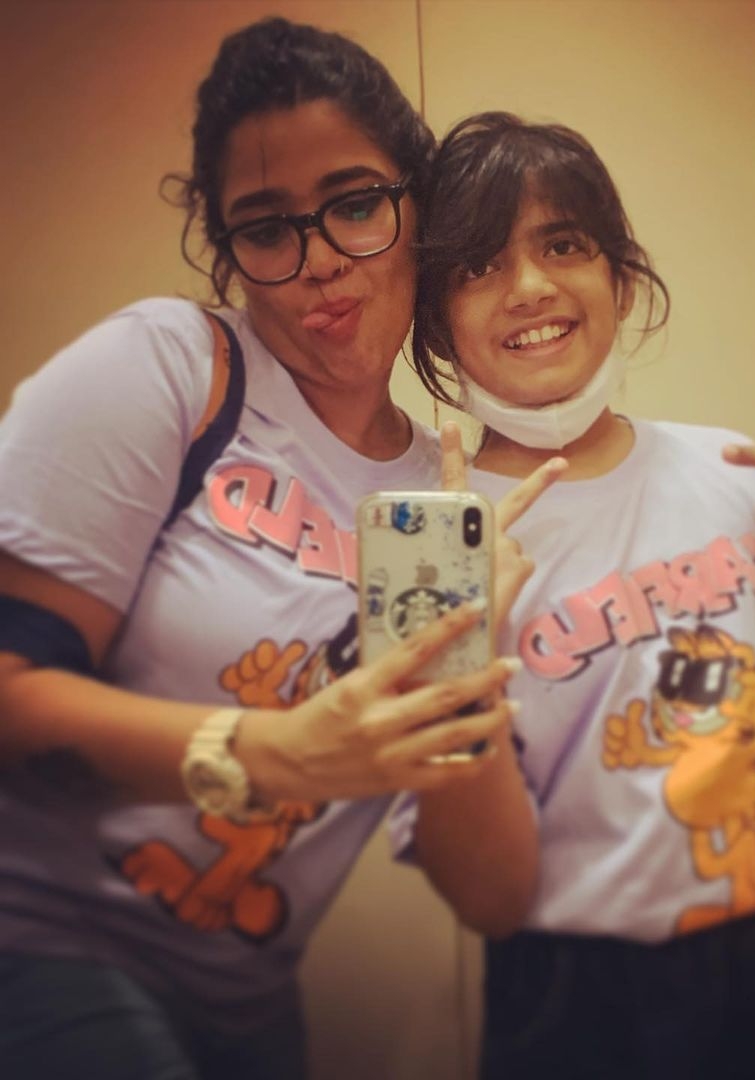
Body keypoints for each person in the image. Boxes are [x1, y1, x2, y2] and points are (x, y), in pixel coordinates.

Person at [0, 21, 562, 1080]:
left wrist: (466, 663)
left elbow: (490, 896)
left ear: (416, 209)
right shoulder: (174, 368)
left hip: (247, 1004)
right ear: (228, 249)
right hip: (41, 947)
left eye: (355, 204)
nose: (321, 262)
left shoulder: (441, 498)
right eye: (267, 228)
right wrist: (272, 752)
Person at [402, 112, 755, 1079]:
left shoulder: (737, 471)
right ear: (435, 319)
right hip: (578, 997)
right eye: (478, 264)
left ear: (620, 276)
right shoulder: (434, 544)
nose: (530, 286)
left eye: (564, 244)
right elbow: (489, 899)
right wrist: (455, 641)